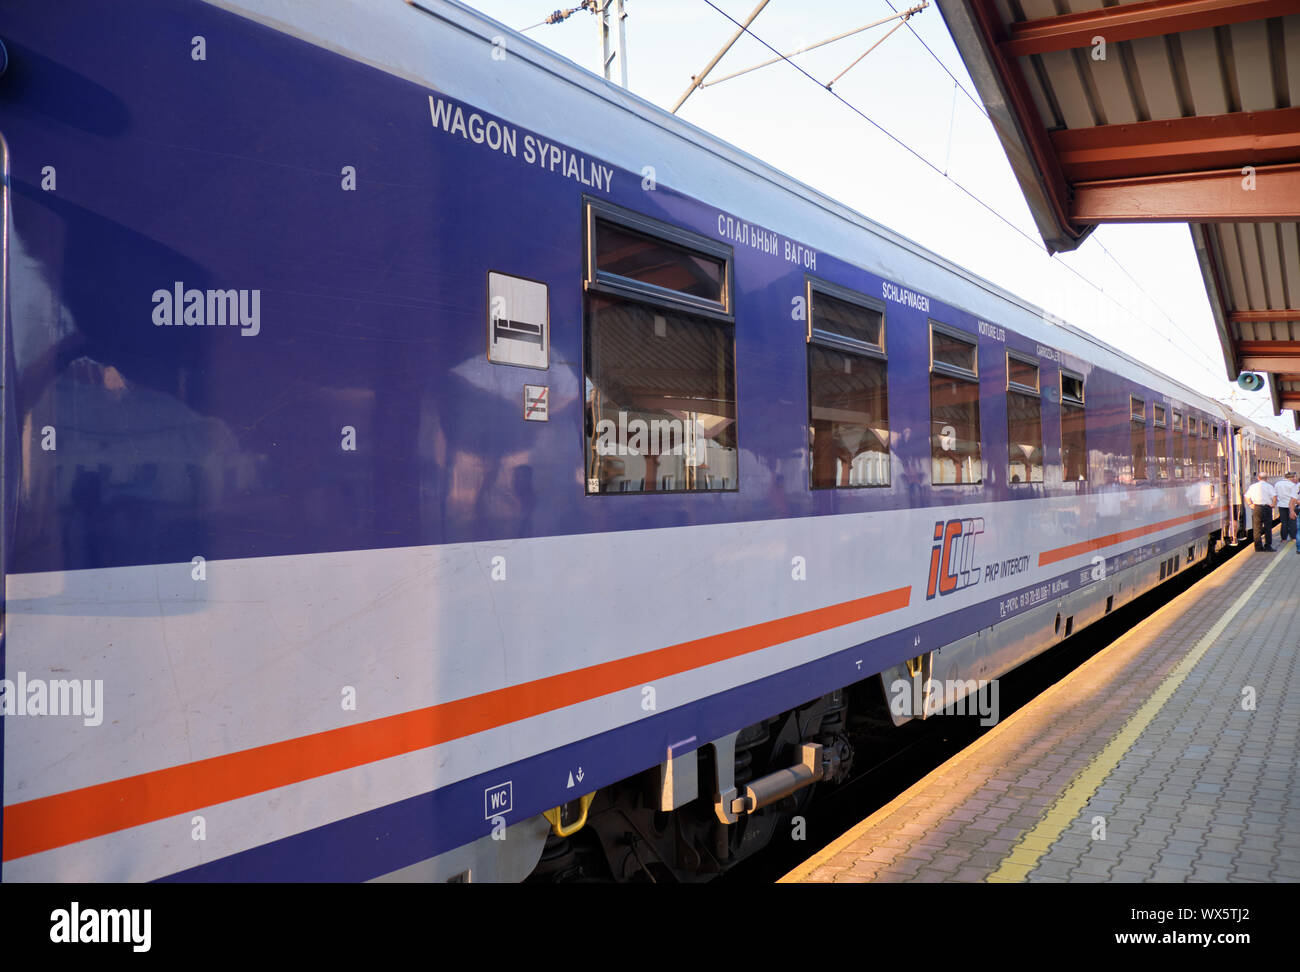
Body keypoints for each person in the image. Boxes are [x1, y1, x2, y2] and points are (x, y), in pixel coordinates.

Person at [1244, 471, 1277, 551]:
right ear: (1267, 478)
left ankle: (1258, 547)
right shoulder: (1269, 486)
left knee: (1256, 528)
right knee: (1267, 528)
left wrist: (1250, 504)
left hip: (1257, 508)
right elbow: (1274, 496)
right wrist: (1273, 504)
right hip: (1267, 508)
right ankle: (1268, 546)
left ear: (1258, 478)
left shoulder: (1253, 486)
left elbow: (1246, 496)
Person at [1276, 471, 1299, 544]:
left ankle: (1284, 538)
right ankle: (1293, 537)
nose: (1295, 478)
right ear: (1292, 477)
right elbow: (1294, 497)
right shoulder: (1292, 485)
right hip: (1291, 505)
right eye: (1295, 477)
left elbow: (1275, 495)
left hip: (1281, 505)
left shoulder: (1277, 484)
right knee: (1292, 521)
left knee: (1284, 522)